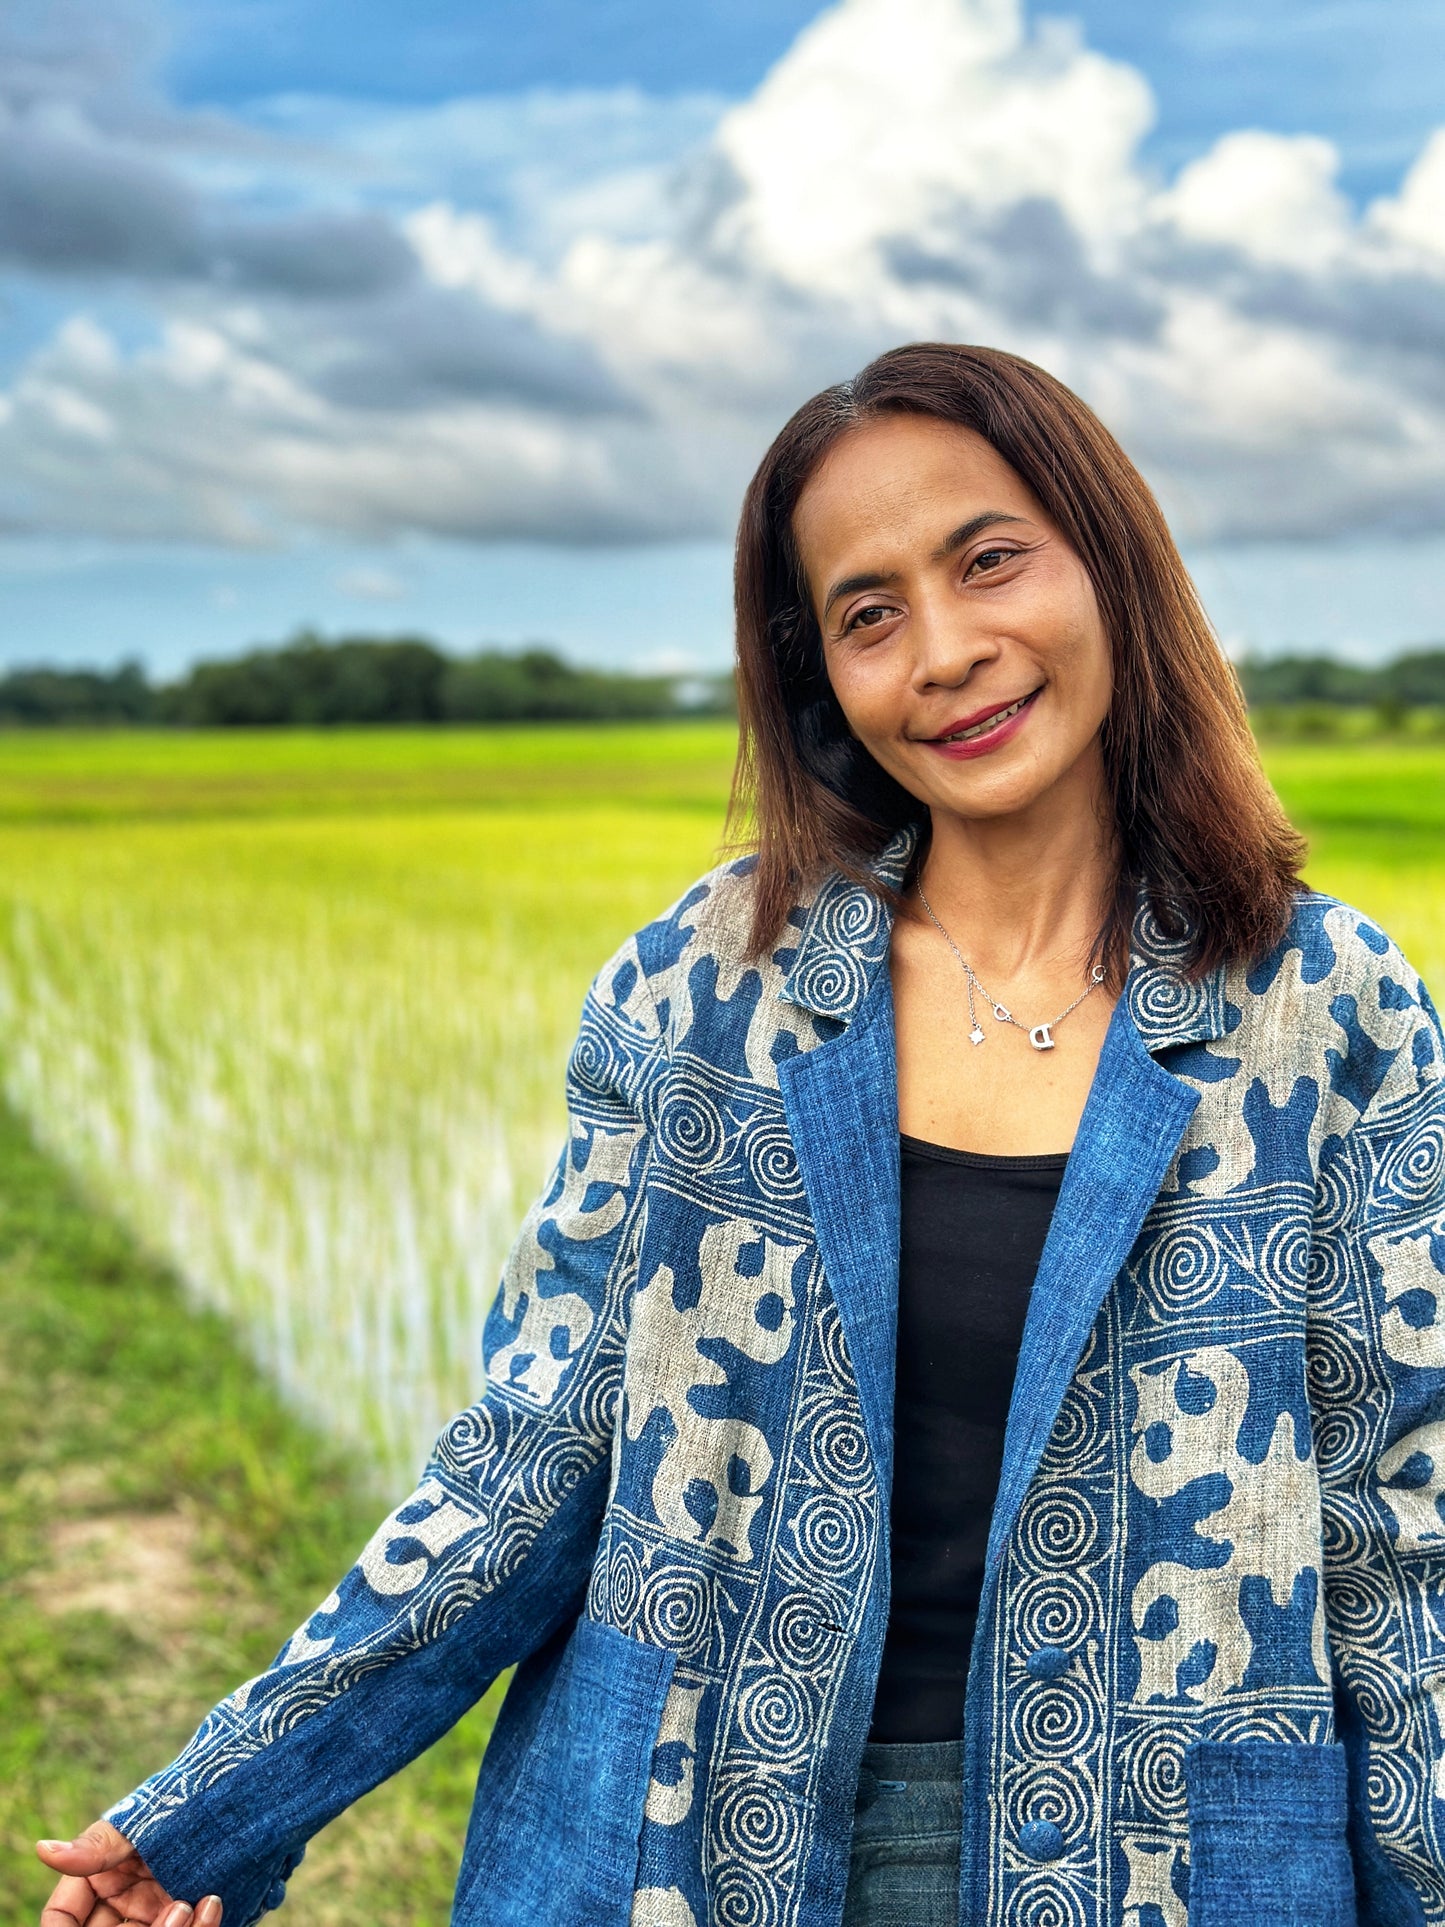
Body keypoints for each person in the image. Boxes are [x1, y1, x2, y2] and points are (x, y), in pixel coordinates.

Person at [36, 342, 1445, 1927]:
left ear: (1108, 568)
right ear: (819, 677)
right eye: (867, 612)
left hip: (1176, 1868)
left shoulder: (1327, 1013)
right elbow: (529, 1456)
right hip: (683, 1843)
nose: (943, 651)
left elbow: (1399, 1536)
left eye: (987, 562)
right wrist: (210, 1818)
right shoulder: (704, 994)